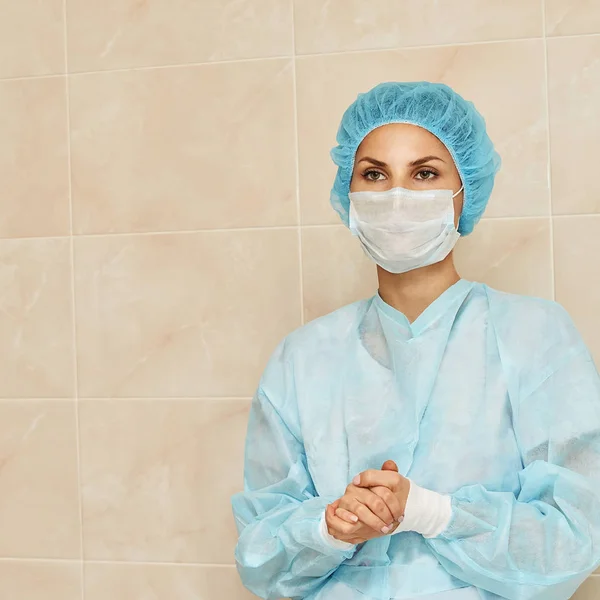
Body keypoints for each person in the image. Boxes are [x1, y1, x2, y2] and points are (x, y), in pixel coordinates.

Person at [231, 82, 600, 600]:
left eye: (424, 173)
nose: (396, 196)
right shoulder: (303, 358)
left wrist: (430, 511)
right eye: (374, 175)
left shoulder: (534, 337)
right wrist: (331, 527)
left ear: (464, 192)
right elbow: (261, 558)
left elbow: (576, 538)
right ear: (349, 195)